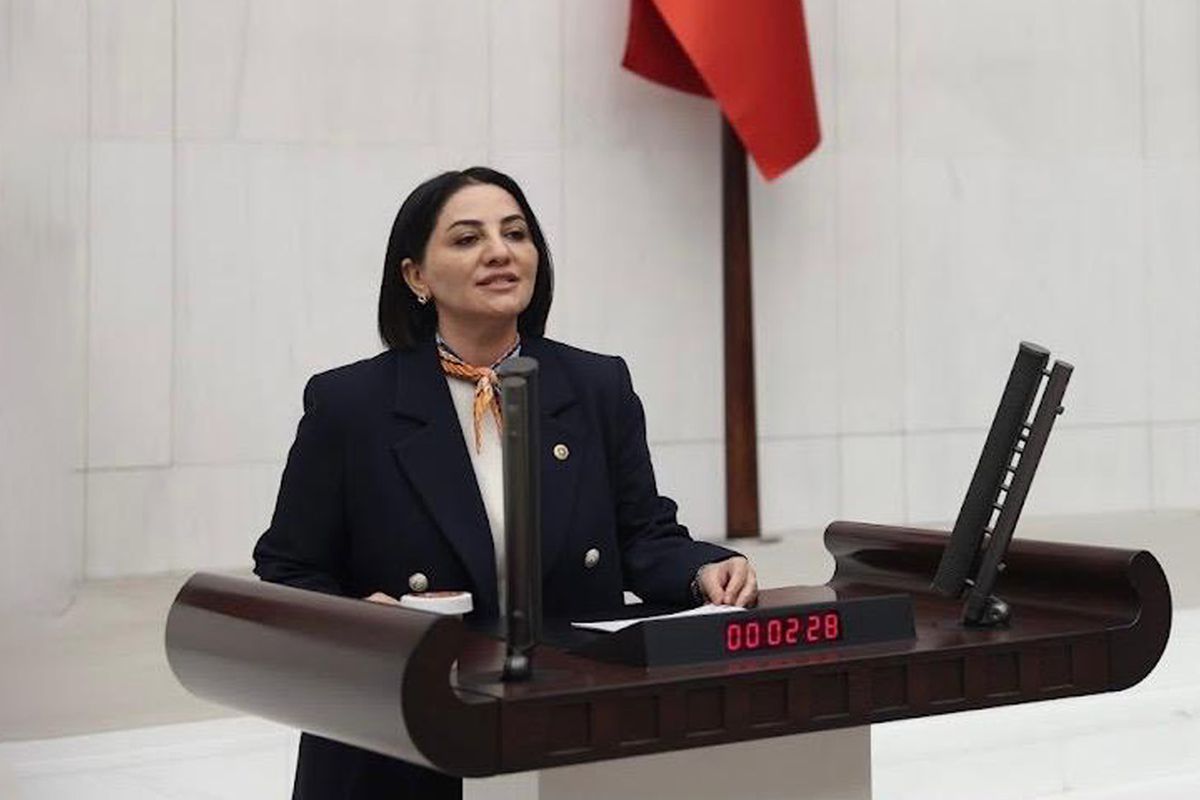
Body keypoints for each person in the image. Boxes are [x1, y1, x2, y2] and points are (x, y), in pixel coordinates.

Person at [253, 166, 759, 799]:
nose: (500, 251)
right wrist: (358, 619)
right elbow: (289, 568)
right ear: (415, 276)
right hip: (402, 729)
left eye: (515, 233)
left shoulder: (597, 385)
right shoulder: (351, 404)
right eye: (468, 239)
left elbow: (643, 536)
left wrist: (703, 569)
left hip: (562, 716)